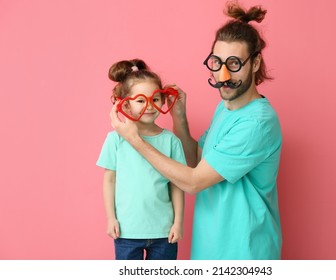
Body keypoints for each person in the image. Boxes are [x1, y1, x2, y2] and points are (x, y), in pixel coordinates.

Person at [110, 2, 282, 260]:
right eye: (217, 62)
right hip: (210, 249)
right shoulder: (226, 108)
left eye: (234, 64)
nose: (223, 75)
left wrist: (135, 140)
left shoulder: (256, 123)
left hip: (243, 254)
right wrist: (179, 119)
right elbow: (196, 162)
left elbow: (193, 182)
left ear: (255, 63)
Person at [97, 59, 186, 260]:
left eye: (155, 99)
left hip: (164, 233)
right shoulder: (116, 139)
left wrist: (178, 222)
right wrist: (111, 218)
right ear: (125, 104)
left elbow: (177, 185)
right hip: (127, 231)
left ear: (163, 101)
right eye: (140, 100)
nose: (149, 106)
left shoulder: (171, 141)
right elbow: (109, 180)